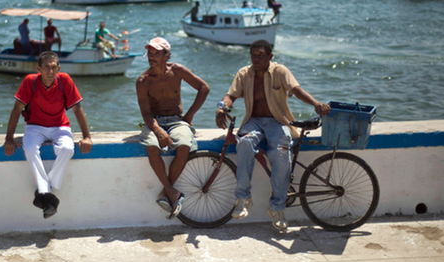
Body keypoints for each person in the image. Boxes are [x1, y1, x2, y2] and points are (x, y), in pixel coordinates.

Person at [215, 39, 330, 231]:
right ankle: (243, 198)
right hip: (254, 120)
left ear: (270, 56)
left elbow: (296, 90)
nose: (256, 59)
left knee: (282, 153)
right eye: (253, 55)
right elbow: (231, 95)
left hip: (278, 121)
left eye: (260, 55)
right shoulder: (244, 73)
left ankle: (278, 208)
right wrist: (222, 107)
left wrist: (316, 104)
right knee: (244, 143)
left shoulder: (280, 71)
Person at [3, 52, 93, 219]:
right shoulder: (31, 81)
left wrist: (87, 136)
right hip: (35, 126)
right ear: (39, 68)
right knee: (29, 149)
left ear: (58, 68)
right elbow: (16, 110)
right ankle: (48, 195)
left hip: (60, 126)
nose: (50, 71)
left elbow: (77, 109)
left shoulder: (64, 80)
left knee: (67, 148)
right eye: (46, 67)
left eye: (54, 68)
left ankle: (44, 191)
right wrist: (9, 138)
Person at [136, 37, 210, 218]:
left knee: (184, 145)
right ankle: (171, 192)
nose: (151, 57)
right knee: (152, 147)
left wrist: (189, 115)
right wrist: (158, 131)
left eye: (156, 54)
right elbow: (146, 113)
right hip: (154, 122)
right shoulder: (143, 80)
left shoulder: (177, 71)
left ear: (166, 56)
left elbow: (204, 88)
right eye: (149, 53)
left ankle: (166, 191)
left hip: (177, 120)